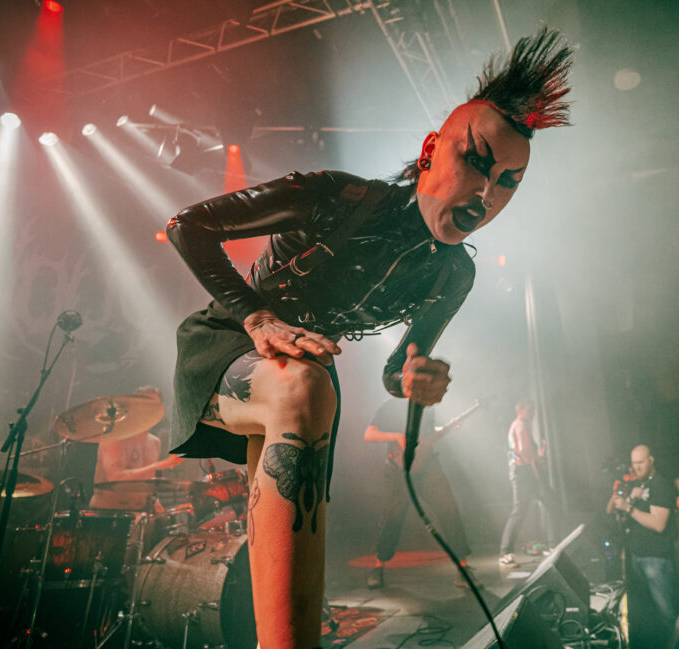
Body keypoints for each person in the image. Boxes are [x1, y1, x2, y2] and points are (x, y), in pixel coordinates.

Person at [165, 28, 574, 649]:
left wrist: (415, 379)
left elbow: (395, 371)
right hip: (228, 341)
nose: (485, 194)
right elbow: (187, 226)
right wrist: (258, 317)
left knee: (302, 421)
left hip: (299, 369)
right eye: (475, 162)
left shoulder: (452, 274)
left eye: (508, 182)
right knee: (306, 388)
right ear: (431, 149)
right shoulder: (338, 197)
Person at [361, 398, 473, 589]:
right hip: (398, 470)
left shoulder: (426, 405)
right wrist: (397, 436)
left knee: (449, 510)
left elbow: (427, 435)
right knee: (392, 517)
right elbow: (369, 434)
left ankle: (463, 570)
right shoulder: (391, 405)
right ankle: (378, 567)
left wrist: (447, 428)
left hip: (428, 466)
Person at [606, 444, 679, 648]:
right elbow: (610, 510)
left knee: (667, 613)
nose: (636, 467)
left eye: (640, 462)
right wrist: (622, 497)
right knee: (650, 614)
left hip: (656, 558)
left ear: (651, 460)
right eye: (633, 463)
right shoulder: (640, 484)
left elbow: (658, 523)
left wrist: (629, 508)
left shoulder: (659, 485)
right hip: (637, 555)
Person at [88, 386, 185, 511]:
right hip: (109, 513)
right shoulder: (115, 435)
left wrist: (154, 501)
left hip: (140, 511)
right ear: (135, 407)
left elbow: (146, 482)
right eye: (146, 404)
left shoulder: (154, 442)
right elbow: (115, 478)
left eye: (155, 405)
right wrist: (160, 465)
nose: (150, 409)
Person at [498, 398, 557, 567]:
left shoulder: (521, 425)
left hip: (524, 473)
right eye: (530, 409)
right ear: (521, 410)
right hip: (524, 473)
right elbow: (524, 451)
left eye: (534, 409)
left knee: (547, 504)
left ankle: (553, 544)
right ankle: (505, 552)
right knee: (522, 510)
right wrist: (537, 463)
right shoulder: (521, 426)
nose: (533, 413)